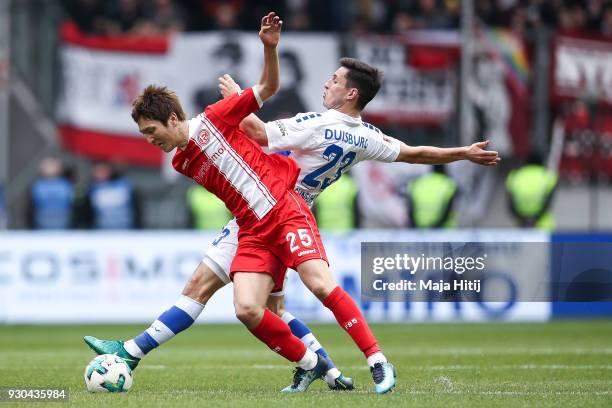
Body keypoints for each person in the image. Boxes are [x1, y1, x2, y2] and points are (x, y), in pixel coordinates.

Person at [85, 14, 500, 394]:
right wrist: (462, 151)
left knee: (302, 291)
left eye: (334, 79)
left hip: (284, 208)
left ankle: (373, 361)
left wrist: (243, 89)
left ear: (350, 91)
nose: (327, 83)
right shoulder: (369, 135)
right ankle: (324, 369)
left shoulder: (312, 124)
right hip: (253, 220)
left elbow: (262, 130)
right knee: (255, 307)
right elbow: (413, 153)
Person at [506, 154, 557, 230]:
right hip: (543, 225)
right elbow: (548, 203)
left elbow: (510, 204)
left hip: (521, 225)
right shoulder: (549, 176)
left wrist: (523, 220)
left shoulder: (514, 176)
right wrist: (535, 219)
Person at [27, 157, 76, 230]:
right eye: (48, 167)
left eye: (52, 167)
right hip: (43, 217)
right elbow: (32, 205)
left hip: (62, 217)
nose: (50, 169)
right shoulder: (38, 185)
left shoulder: (65, 184)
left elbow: (72, 202)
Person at [407, 164, 458, 228]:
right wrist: (434, 228)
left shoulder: (418, 183)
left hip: (419, 231)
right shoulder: (449, 184)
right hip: (444, 232)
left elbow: (410, 209)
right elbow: (449, 211)